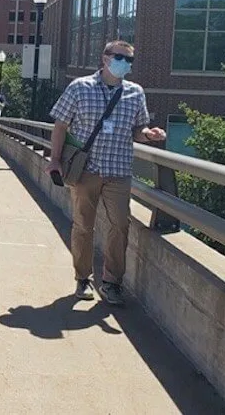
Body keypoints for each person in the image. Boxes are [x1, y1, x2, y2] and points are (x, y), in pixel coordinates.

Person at [47, 41, 166, 306]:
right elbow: (60, 125)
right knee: (83, 226)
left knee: (120, 226)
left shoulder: (135, 93)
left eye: (129, 60)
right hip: (86, 169)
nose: (124, 63)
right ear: (105, 58)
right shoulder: (80, 87)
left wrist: (148, 134)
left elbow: (137, 129)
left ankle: (112, 282)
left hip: (119, 170)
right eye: (120, 57)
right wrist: (55, 160)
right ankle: (82, 278)